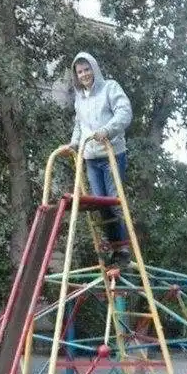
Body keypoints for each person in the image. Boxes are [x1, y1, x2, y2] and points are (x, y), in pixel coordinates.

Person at [58, 51, 133, 266]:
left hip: (111, 153)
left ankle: (123, 249)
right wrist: (73, 144)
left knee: (114, 201)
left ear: (94, 69)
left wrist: (108, 130)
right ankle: (114, 247)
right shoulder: (80, 98)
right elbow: (79, 125)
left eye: (87, 69)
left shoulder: (110, 88)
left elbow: (124, 113)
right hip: (91, 157)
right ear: (76, 75)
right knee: (101, 205)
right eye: (80, 72)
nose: (84, 74)